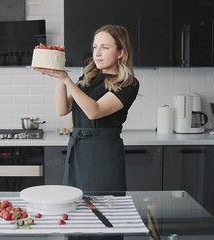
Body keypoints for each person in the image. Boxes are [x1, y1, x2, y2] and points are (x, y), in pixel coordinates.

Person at [34, 24, 139, 192]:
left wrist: (67, 79)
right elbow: (62, 109)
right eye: (95, 47)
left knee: (105, 206)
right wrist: (58, 76)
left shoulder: (127, 84)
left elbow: (94, 111)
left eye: (105, 47)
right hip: (78, 148)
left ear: (120, 53)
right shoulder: (89, 77)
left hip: (103, 152)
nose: (97, 53)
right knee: (75, 203)